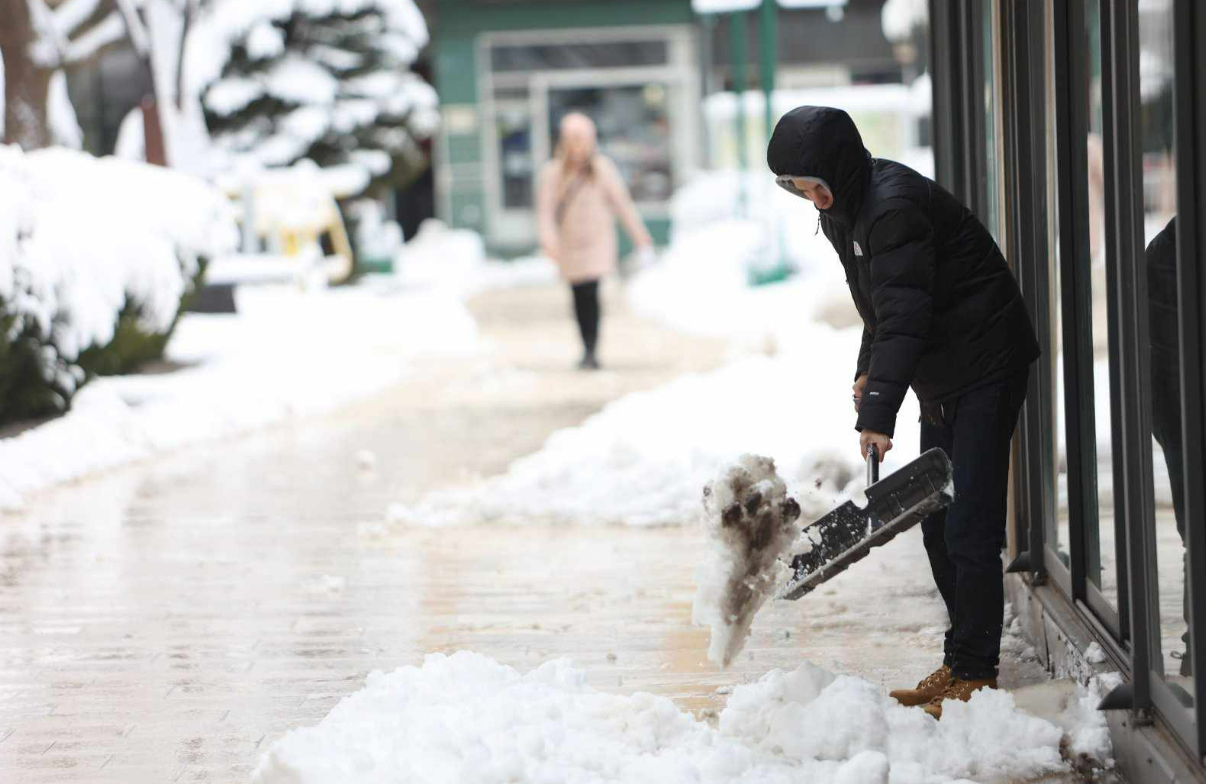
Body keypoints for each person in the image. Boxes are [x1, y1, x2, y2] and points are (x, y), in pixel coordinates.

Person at [767, 106, 1041, 719]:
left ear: (837, 168)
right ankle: (960, 659)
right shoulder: (843, 212)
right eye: (796, 189)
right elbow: (881, 307)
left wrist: (880, 414)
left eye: (812, 184)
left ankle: (976, 670)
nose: (808, 199)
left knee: (969, 523)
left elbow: (908, 315)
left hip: (986, 363)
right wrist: (869, 372)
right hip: (943, 369)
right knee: (938, 520)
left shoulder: (890, 207)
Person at [536, 113, 653, 370]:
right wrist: (549, 241)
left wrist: (641, 237)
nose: (578, 146)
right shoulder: (553, 173)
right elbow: (545, 212)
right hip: (569, 243)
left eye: (582, 139)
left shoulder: (602, 169)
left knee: (591, 290)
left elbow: (623, 205)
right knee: (578, 294)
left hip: (597, 241)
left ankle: (592, 349)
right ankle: (586, 345)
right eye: (573, 140)